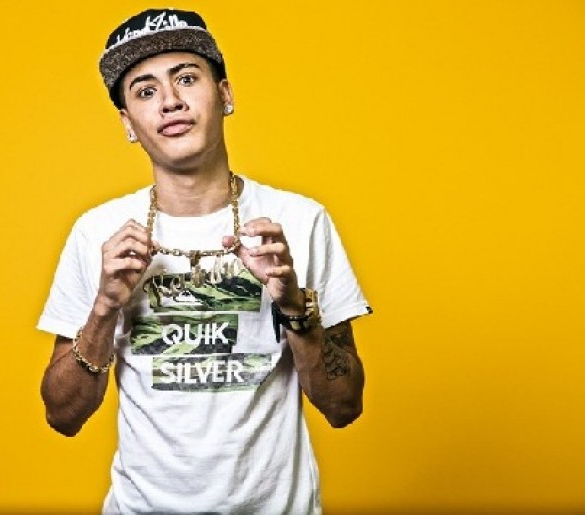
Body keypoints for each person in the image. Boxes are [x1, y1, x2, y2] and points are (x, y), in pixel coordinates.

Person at [38, 8, 372, 514]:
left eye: (187, 79)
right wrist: (104, 308)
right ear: (128, 124)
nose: (170, 101)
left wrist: (294, 307)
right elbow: (62, 416)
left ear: (225, 95)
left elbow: (344, 406)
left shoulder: (300, 222)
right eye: (145, 91)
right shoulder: (96, 233)